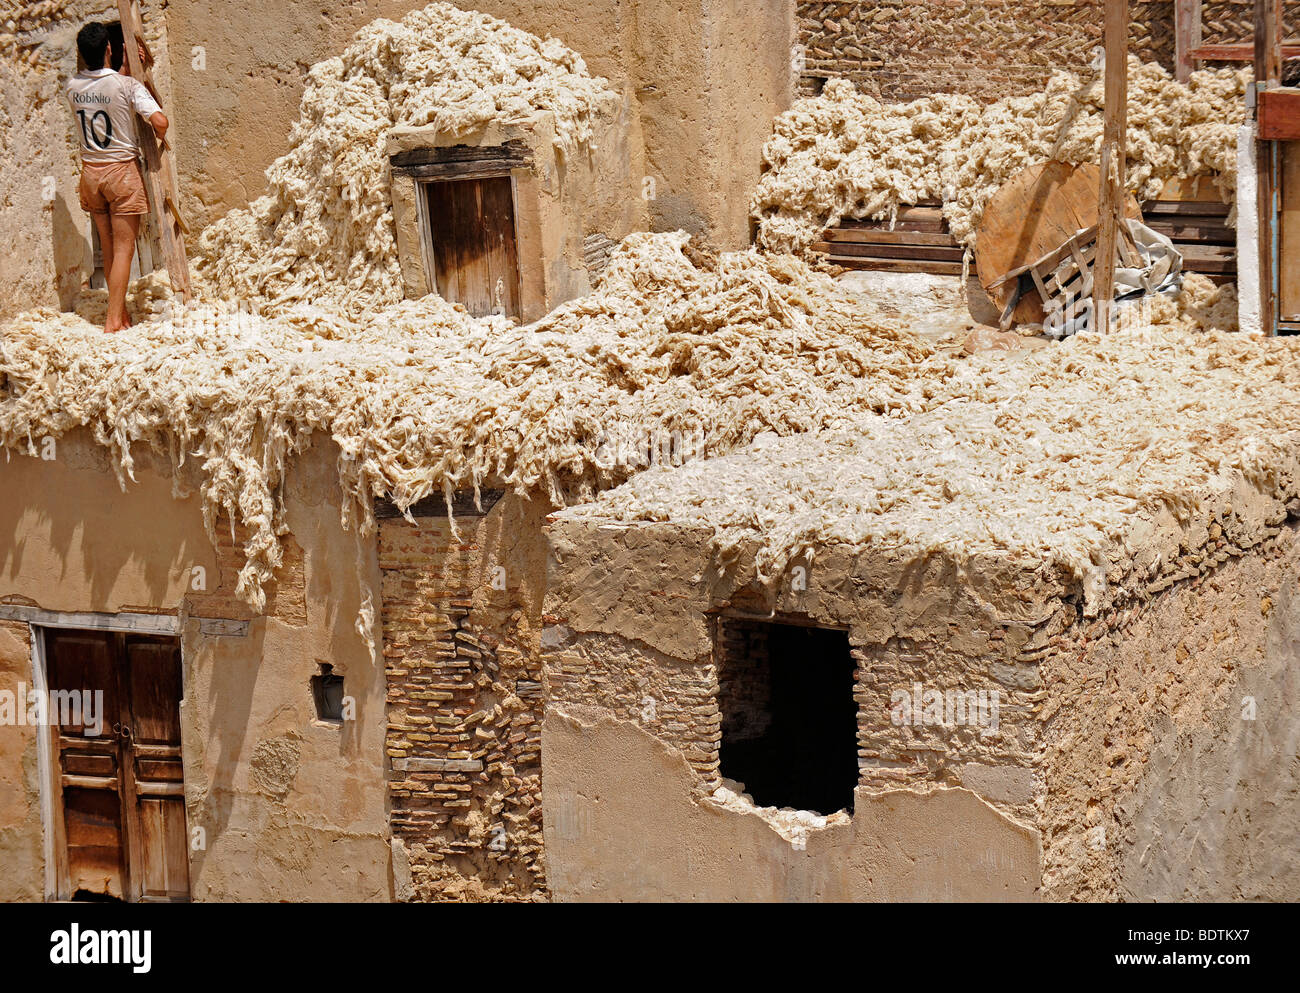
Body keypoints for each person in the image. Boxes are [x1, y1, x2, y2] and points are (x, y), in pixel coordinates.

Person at [66, 22, 168, 332]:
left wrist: (124, 68)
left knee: (110, 248)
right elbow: (160, 122)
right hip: (121, 173)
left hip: (91, 174)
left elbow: (104, 89)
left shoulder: (72, 87)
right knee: (126, 250)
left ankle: (119, 313)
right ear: (110, 48)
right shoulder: (128, 87)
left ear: (82, 55)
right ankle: (112, 321)